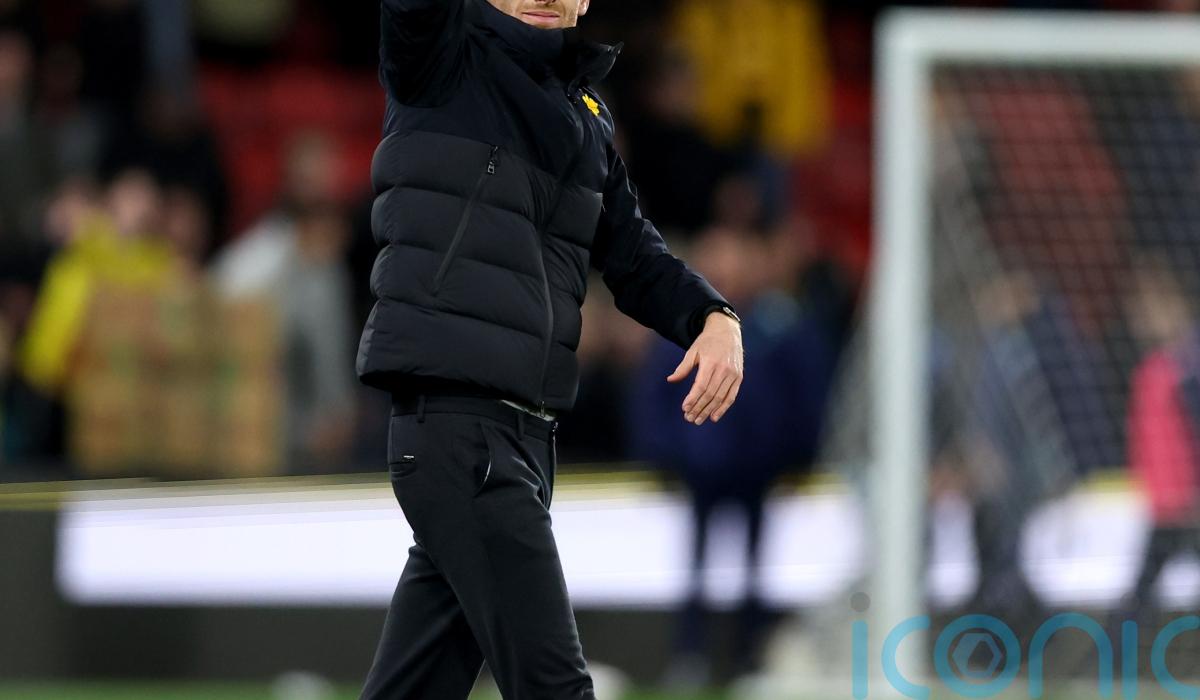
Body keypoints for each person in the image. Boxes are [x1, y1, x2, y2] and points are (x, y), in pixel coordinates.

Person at [357, 2, 744, 699]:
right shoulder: (443, 55)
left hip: (524, 439)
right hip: (463, 432)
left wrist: (713, 316)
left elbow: (636, 257)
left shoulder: (585, 114)